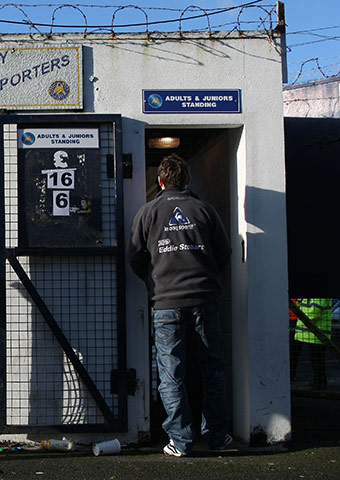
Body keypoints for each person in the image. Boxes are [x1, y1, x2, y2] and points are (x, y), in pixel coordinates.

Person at [128, 153, 232, 457]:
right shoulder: (205, 210)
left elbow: (135, 257)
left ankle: (181, 441)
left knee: (171, 373)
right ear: (188, 180)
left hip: (165, 303)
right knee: (212, 369)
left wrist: (155, 282)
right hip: (205, 300)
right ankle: (217, 436)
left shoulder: (147, 213)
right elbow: (223, 254)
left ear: (160, 182)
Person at [290, 298, 332, 390]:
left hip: (315, 334)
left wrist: (301, 313)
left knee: (317, 361)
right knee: (316, 361)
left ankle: (320, 382)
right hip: (307, 333)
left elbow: (313, 314)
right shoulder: (309, 298)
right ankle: (319, 382)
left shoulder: (319, 297)